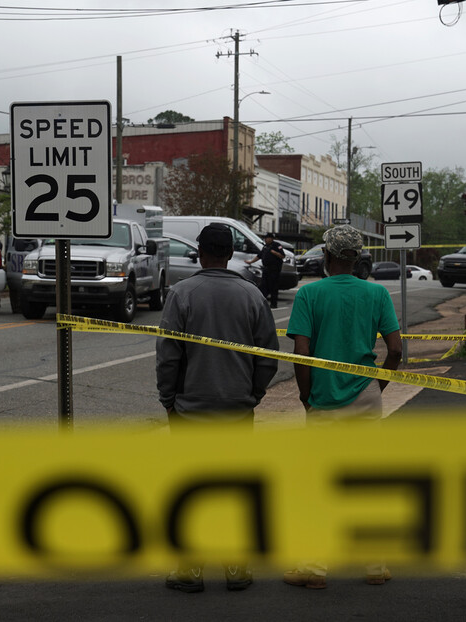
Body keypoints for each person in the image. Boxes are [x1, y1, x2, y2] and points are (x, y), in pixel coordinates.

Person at [156, 222, 279, 593]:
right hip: (236, 409)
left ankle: (190, 569)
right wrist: (252, 395)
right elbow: (268, 357)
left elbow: (168, 356)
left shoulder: (181, 293)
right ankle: (236, 568)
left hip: (191, 409)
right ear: (229, 253)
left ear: (200, 251)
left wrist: (169, 400)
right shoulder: (252, 295)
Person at [282, 224, 403, 590]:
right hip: (366, 397)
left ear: (328, 256)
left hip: (324, 399)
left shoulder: (310, 294)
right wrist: (375, 387)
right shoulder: (377, 294)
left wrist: (307, 397)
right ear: (358, 258)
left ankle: (314, 569)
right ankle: (375, 566)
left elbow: (301, 354)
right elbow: (395, 350)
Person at [246, 232, 285, 308]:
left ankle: (274, 304)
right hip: (266, 269)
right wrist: (250, 262)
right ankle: (262, 303)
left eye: (267, 238)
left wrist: (274, 253)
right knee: (264, 286)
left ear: (271, 238)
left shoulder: (276, 245)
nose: (266, 240)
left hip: (274, 270)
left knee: (273, 287)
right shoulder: (265, 246)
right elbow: (259, 256)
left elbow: (282, 255)